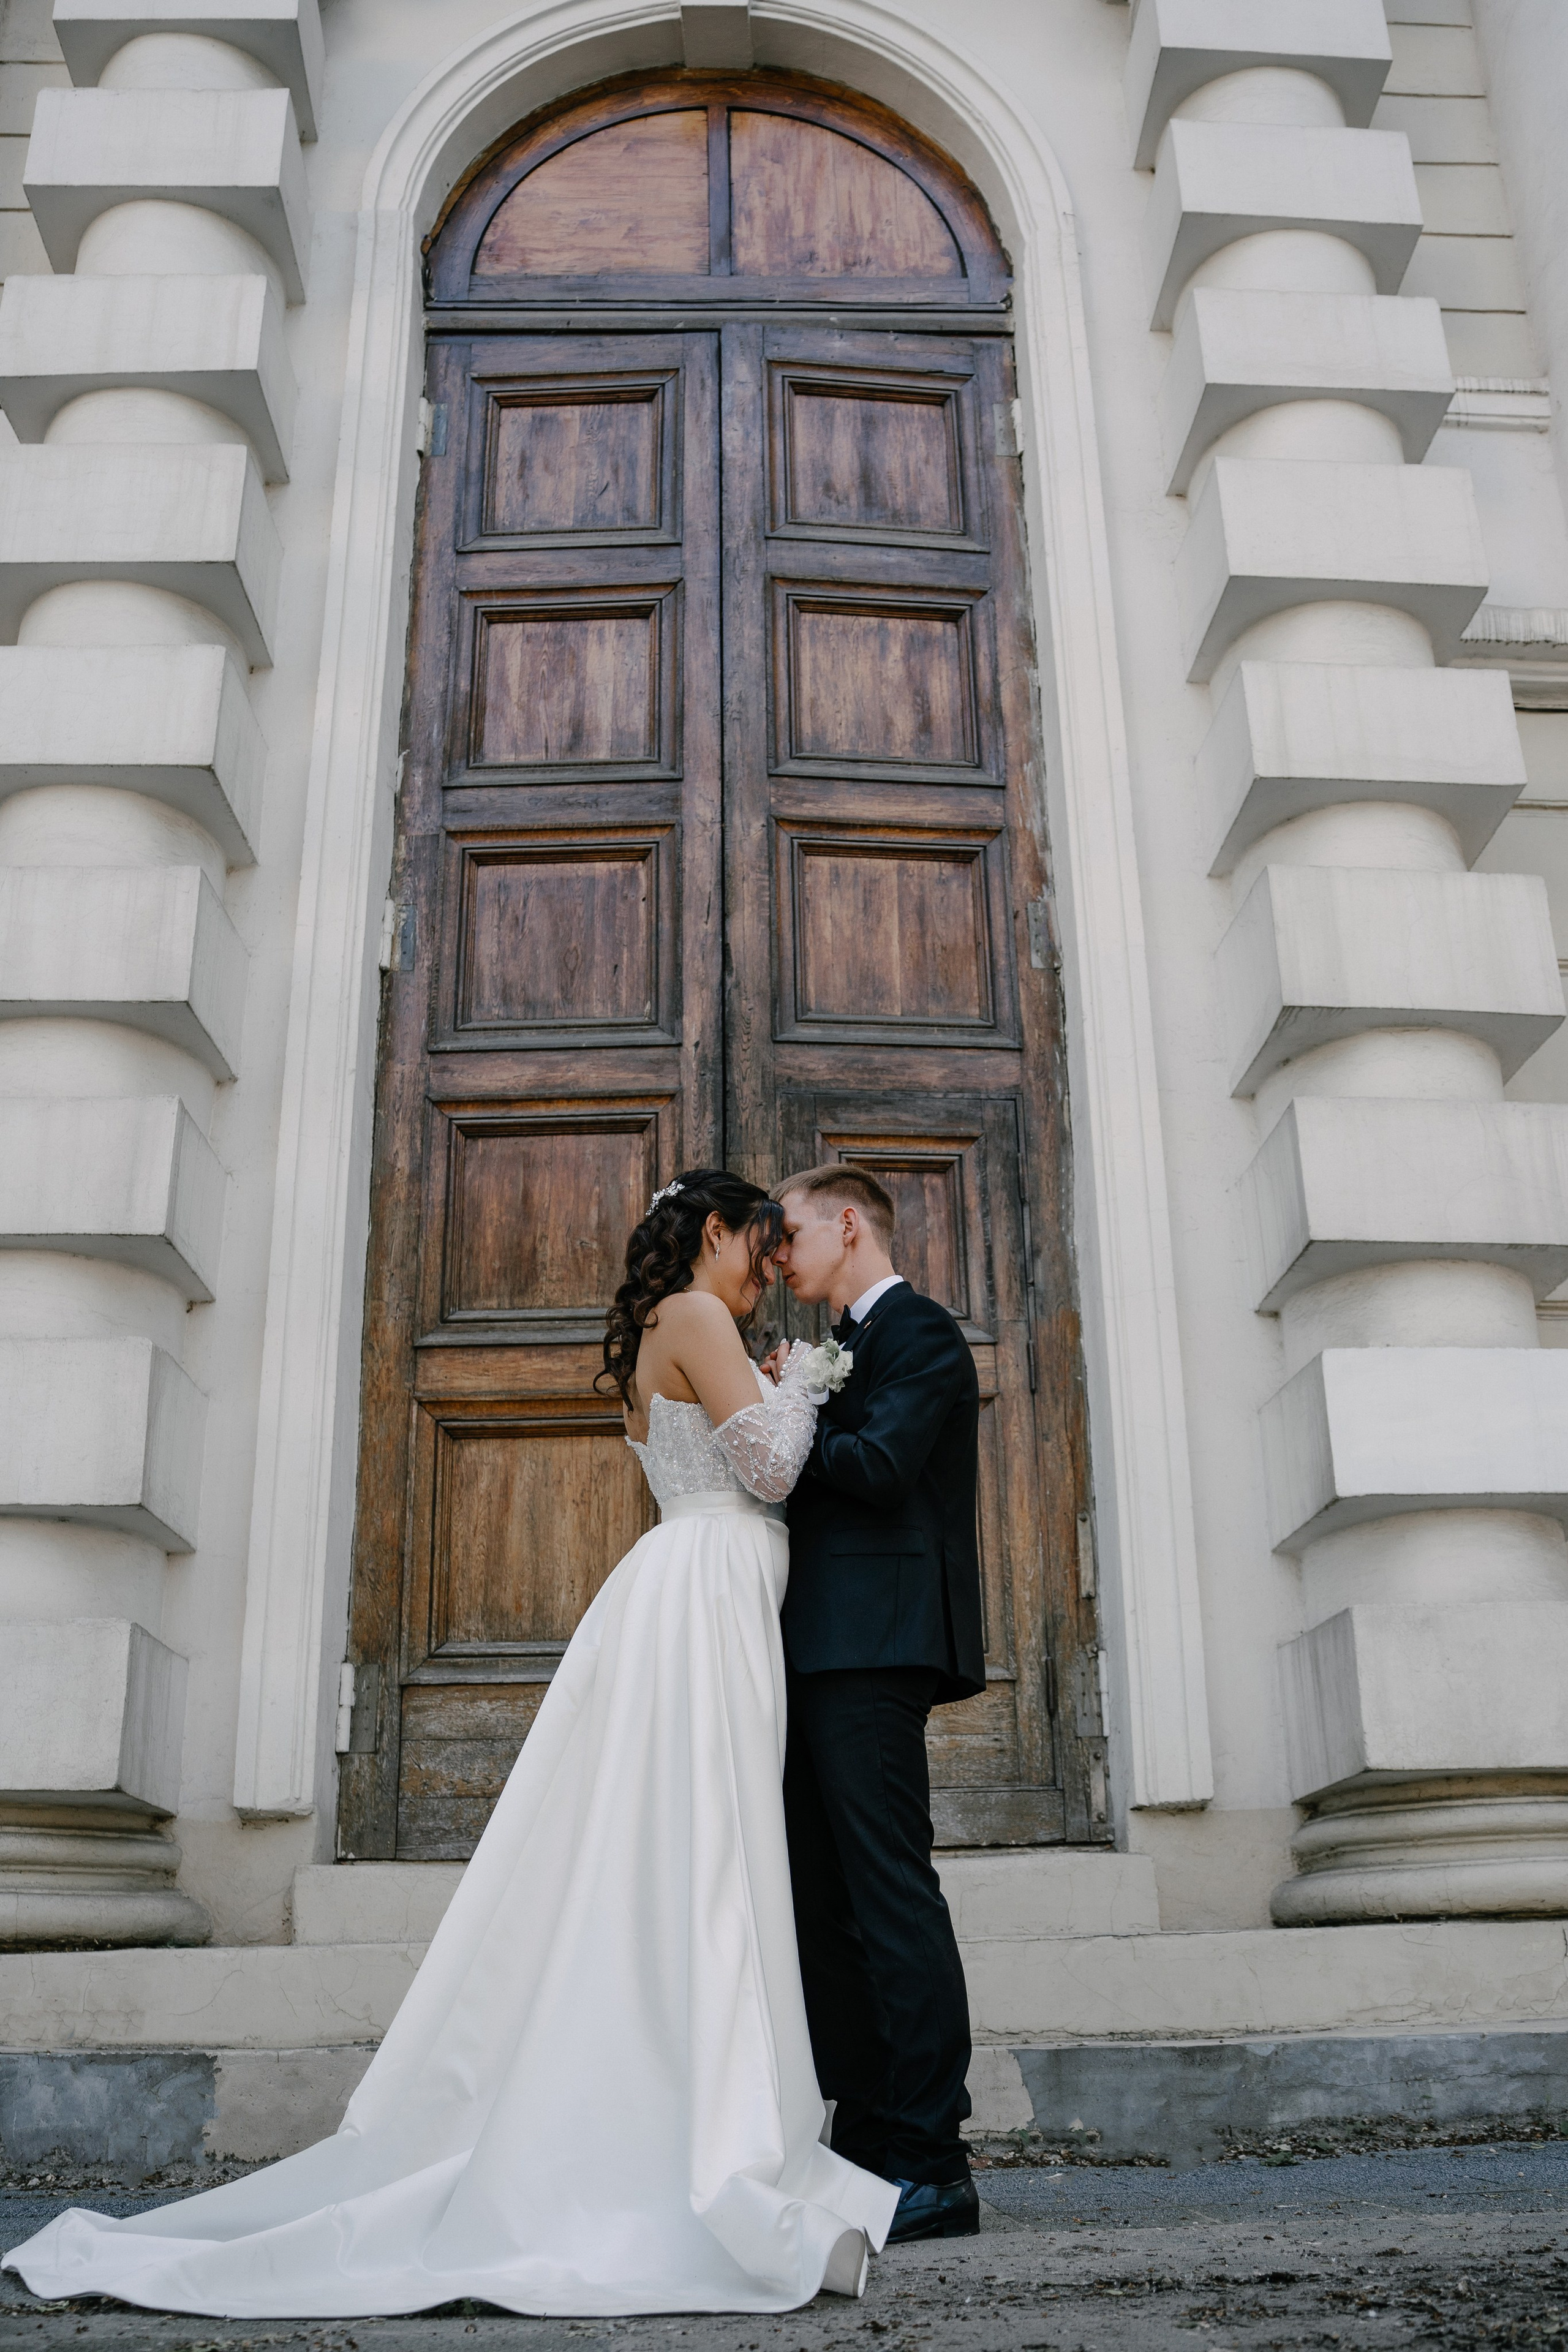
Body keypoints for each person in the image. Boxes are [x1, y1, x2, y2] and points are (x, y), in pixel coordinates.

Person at [3, 1170, 898, 2321]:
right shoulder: (695, 1315)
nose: (764, 1274)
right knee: (707, 1850)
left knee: (690, 1849)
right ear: (714, 1234)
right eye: (755, 1247)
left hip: (696, 1588)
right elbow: (770, 1471)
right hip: (706, 1590)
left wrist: (777, 1386)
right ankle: (703, 2135)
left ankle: (690, 2098)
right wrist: (807, 1388)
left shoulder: (673, 1328)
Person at [770, 1164, 984, 2244]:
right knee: (824, 1904)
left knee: (892, 1896)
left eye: (790, 1233)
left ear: (847, 1223)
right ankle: (861, 2136)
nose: (777, 1255)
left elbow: (884, 1465)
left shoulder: (924, 1333)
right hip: (812, 1647)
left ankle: (933, 2160)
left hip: (879, 1646)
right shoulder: (841, 1343)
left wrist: (772, 1417)